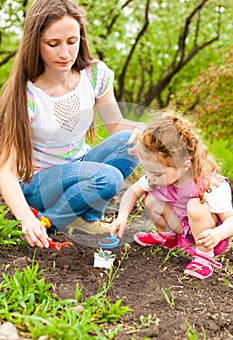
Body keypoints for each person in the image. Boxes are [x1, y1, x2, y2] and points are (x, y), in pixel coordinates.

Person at [0, 0, 143, 249]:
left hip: (80, 167)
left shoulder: (94, 75)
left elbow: (116, 125)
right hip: (40, 183)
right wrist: (25, 219)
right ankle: (48, 221)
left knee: (131, 141)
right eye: (53, 44)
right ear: (35, 44)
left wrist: (150, 134)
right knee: (109, 178)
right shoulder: (26, 94)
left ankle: (85, 217)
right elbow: (5, 170)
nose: (65, 53)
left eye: (72, 41)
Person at [111, 110, 233, 279]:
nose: (151, 177)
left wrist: (217, 234)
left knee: (195, 206)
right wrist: (122, 216)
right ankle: (168, 238)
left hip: (207, 236)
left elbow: (230, 220)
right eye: (148, 171)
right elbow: (134, 191)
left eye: (157, 173)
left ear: (183, 166)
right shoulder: (157, 175)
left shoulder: (210, 184)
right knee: (151, 198)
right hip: (181, 227)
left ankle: (205, 258)